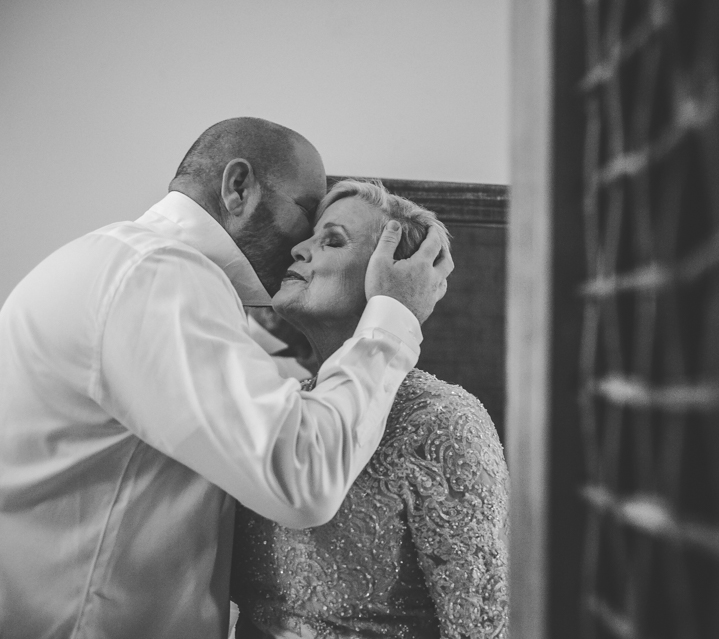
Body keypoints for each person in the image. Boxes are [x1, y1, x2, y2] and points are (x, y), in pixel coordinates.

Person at [0, 118, 453, 639]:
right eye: (307, 216)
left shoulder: (125, 264)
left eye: (329, 238)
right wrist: (393, 317)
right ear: (239, 188)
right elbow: (300, 477)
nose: (303, 246)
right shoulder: (157, 276)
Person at [230, 180, 509, 638]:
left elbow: (483, 624)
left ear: (391, 277)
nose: (298, 250)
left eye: (332, 240)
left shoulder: (441, 420)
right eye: (309, 237)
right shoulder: (284, 406)